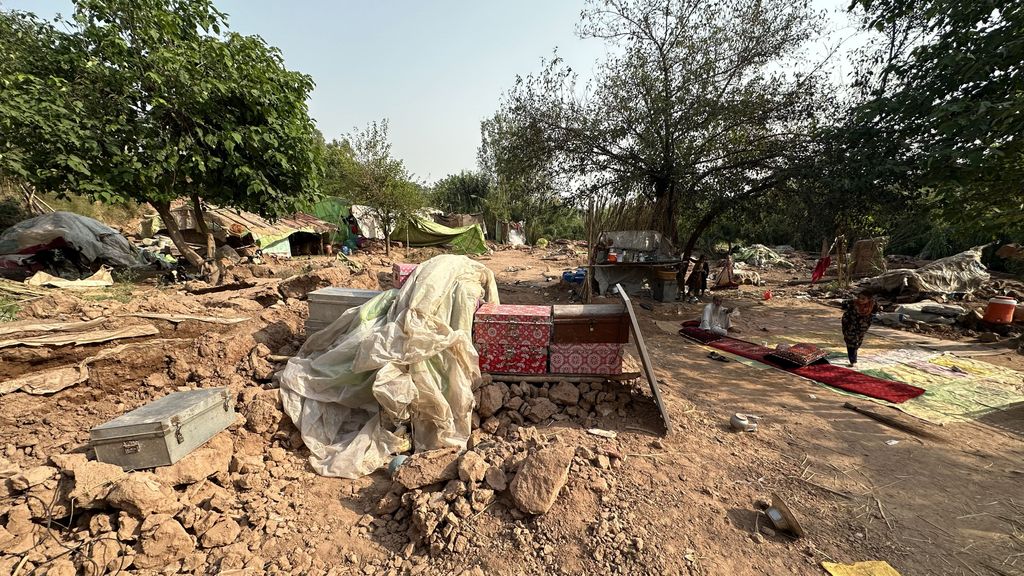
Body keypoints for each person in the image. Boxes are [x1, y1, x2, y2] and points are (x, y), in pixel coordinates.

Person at [841, 292, 880, 367]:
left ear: (869, 299)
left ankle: (853, 355)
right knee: (850, 342)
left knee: (857, 342)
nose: (860, 300)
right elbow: (843, 305)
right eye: (859, 298)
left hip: (862, 327)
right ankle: (852, 360)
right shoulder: (852, 303)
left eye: (863, 299)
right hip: (850, 325)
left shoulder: (873, 305)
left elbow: (878, 310)